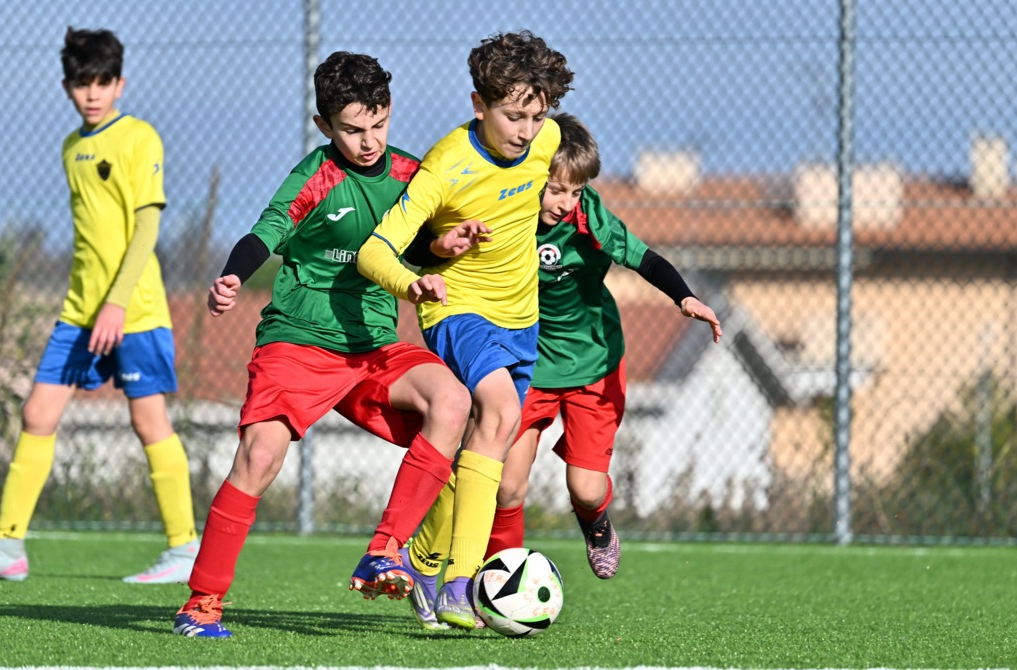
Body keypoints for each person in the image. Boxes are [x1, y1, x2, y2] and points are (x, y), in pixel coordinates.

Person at [170, 51, 471, 639]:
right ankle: (201, 603)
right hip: (299, 342)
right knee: (259, 457)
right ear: (324, 126)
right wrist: (233, 275)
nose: (369, 141)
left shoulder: (411, 174)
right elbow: (266, 230)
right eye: (353, 129)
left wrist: (445, 245)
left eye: (379, 124)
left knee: (454, 403)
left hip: (375, 347)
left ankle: (386, 553)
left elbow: (421, 242)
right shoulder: (316, 176)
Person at [401, 113, 722, 628]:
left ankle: (595, 524)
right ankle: (493, 588)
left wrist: (683, 297)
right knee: (506, 486)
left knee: (587, 489)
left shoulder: (589, 216)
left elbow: (644, 258)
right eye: (555, 190)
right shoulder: (505, 209)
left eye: (574, 191)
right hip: (528, 358)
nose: (564, 202)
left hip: (593, 362)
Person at [0, 27, 200, 585]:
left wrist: (117, 304)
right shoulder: (70, 147)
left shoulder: (140, 138)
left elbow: (145, 227)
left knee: (148, 420)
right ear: (67, 87)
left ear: (120, 83)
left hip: (135, 310)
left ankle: (184, 550)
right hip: (80, 311)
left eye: (102, 82)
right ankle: (8, 548)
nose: (92, 93)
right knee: (37, 414)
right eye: (82, 84)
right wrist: (94, 304)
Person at [355, 30, 574, 630]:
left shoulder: (549, 139)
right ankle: (462, 583)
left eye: (537, 115)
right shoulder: (446, 164)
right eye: (513, 116)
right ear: (479, 104)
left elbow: (554, 184)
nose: (527, 131)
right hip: (457, 310)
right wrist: (413, 282)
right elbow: (375, 251)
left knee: (487, 442)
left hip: (522, 319)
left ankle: (422, 561)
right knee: (499, 413)